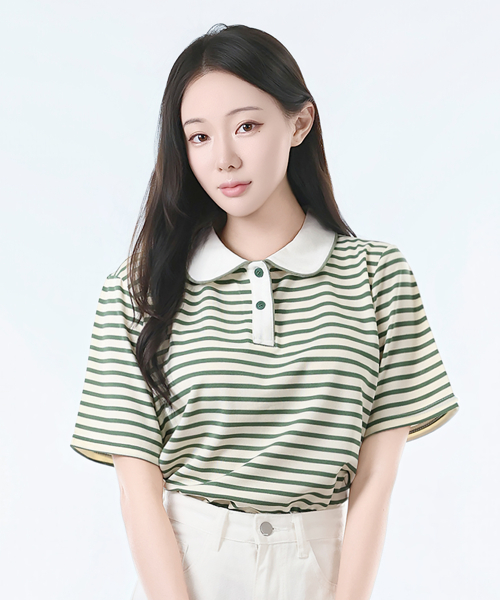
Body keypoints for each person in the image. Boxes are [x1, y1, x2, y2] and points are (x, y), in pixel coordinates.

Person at [69, 23, 460, 600]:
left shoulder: (378, 278)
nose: (224, 158)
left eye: (246, 126)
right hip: (187, 571)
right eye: (199, 136)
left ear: (299, 123)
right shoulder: (136, 290)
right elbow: (136, 490)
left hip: (324, 570)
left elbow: (376, 483)